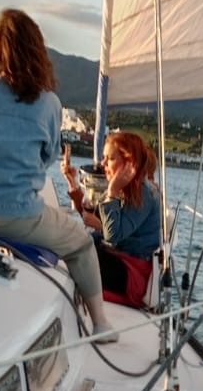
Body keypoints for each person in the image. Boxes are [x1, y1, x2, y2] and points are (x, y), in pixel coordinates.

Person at [0, 9, 115, 338]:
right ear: (38, 52)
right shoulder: (49, 104)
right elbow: (46, 159)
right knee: (80, 244)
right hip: (14, 217)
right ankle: (101, 323)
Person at [66, 129, 162, 304]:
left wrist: (112, 191)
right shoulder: (127, 188)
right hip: (116, 261)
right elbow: (90, 217)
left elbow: (113, 235)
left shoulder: (144, 193)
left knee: (73, 253)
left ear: (128, 162)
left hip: (131, 273)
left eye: (109, 158)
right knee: (68, 241)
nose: (103, 163)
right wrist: (72, 182)